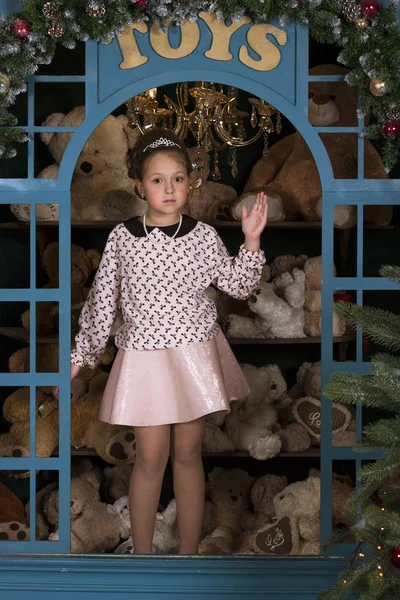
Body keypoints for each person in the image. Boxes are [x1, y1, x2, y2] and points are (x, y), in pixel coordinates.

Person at [55, 127, 268, 555]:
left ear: (190, 183)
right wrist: (79, 358)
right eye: (157, 180)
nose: (169, 188)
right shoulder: (122, 238)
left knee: (188, 456)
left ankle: (189, 556)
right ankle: (144, 556)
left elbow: (239, 286)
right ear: (139, 186)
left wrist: (251, 238)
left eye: (177, 178)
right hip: (144, 360)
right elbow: (102, 303)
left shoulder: (203, 236)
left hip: (193, 358)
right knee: (150, 459)